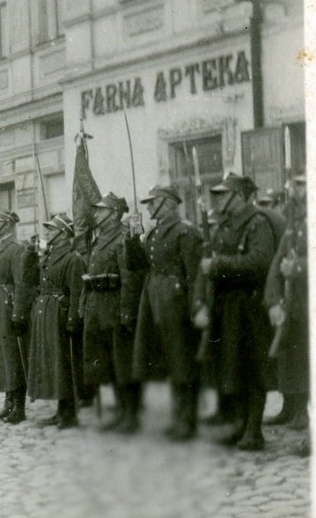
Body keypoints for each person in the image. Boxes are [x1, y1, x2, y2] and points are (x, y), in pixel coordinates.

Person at [195, 173, 278, 451]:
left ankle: (254, 431)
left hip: (249, 306)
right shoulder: (225, 225)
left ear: (239, 197)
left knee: (253, 368)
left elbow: (260, 262)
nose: (216, 199)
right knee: (233, 367)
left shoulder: (257, 224)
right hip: (227, 306)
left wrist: (218, 265)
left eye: (222, 194)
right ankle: (241, 425)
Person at [127, 185, 203, 441]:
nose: (148, 207)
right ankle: (179, 416)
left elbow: (194, 275)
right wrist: (133, 238)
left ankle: (187, 420)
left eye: (153, 202)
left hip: (176, 300)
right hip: (155, 299)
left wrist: (196, 307)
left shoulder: (185, 232)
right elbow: (138, 265)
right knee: (171, 360)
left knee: (182, 360)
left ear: (168, 204)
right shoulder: (154, 232)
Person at [82, 193, 143, 434]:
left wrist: (127, 311)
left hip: (116, 304)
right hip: (98, 306)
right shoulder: (99, 239)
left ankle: (131, 414)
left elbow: (129, 278)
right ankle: (120, 411)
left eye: (101, 210)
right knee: (107, 361)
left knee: (122, 361)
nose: (96, 213)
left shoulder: (122, 237)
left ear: (114, 213)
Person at [26, 214, 85, 428]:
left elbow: (77, 291)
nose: (48, 232)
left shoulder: (73, 258)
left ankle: (69, 414)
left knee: (64, 364)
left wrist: (72, 318)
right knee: (54, 363)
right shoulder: (49, 257)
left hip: (60, 314)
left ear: (63, 234)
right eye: (49, 229)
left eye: (52, 229)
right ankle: (61, 410)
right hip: (47, 313)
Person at [265, 175, 309, 452]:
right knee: (290, 356)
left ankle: (305, 413)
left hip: (312, 303)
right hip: (292, 302)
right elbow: (276, 264)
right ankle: (291, 406)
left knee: (308, 359)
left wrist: (300, 268)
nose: (297, 190)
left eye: (303, 185)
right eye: (295, 185)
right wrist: (273, 301)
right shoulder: (292, 223)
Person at [0, 209, 37, 425]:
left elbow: (22, 283)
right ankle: (8, 402)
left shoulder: (17, 249)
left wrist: (18, 312)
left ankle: (18, 407)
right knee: (0, 354)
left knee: (12, 354)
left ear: (6, 224)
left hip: (7, 303)